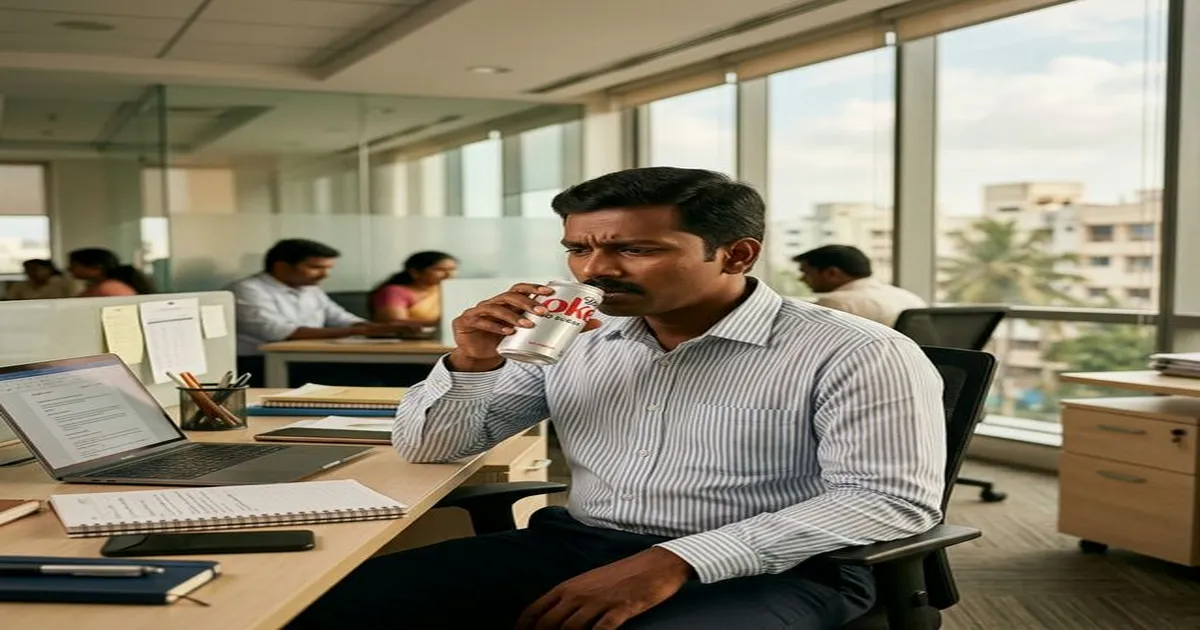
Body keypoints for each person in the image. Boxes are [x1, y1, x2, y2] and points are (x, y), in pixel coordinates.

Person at [289, 167, 946, 630]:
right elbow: (434, 448)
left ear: (736, 254)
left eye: (634, 249)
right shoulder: (571, 334)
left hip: (778, 568)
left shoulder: (855, 350)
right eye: (579, 248)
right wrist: (471, 361)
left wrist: (677, 561)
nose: (595, 270)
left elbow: (889, 500)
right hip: (577, 545)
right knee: (316, 607)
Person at [226, 238, 412, 386]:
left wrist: (380, 328)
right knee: (369, 381)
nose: (325, 275)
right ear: (281, 266)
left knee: (403, 372)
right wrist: (357, 331)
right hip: (263, 363)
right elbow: (282, 332)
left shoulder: (309, 289)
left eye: (328, 268)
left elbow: (340, 318)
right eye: (315, 268)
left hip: (309, 357)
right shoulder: (247, 290)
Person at [793, 245, 927, 328]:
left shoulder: (835, 303)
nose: (801, 279)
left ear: (832, 273)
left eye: (806, 273)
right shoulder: (908, 297)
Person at [369, 251, 458, 324]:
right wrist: (442, 324)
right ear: (415, 272)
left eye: (452, 269)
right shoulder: (393, 292)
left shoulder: (450, 291)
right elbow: (394, 322)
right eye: (440, 269)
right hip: (404, 342)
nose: (449, 274)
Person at [68, 248, 155, 297]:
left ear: (96, 267)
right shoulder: (105, 286)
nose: (69, 269)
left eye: (75, 265)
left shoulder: (109, 288)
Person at [5, 259, 77, 300]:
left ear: (48, 270)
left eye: (35, 269)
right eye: (28, 270)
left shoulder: (63, 283)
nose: (31, 273)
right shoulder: (19, 286)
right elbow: (10, 301)